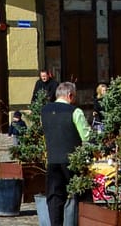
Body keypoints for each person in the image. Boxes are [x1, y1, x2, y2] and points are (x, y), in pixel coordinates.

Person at [43, 82, 91, 226]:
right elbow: (86, 137)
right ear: (70, 95)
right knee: (82, 194)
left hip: (52, 159)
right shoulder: (75, 111)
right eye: (74, 97)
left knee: (54, 197)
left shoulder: (44, 111)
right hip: (73, 160)